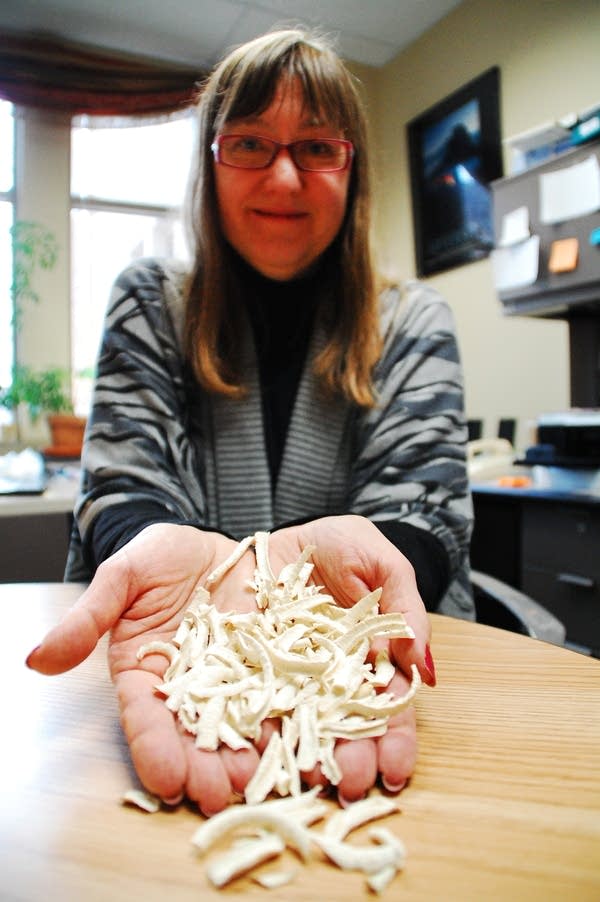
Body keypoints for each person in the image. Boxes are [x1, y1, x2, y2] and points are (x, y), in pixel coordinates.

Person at [26, 28, 474, 816]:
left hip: (370, 695)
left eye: (317, 148)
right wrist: (171, 570)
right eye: (249, 144)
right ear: (210, 162)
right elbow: (122, 488)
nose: (284, 175)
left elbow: (425, 511)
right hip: (171, 680)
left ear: (353, 168)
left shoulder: (414, 320)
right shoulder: (148, 301)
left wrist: (343, 599)